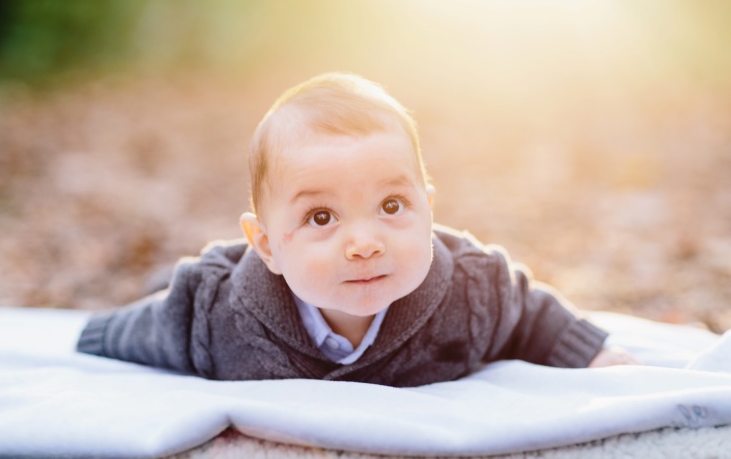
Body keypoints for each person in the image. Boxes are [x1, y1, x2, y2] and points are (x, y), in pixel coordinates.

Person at [76, 72, 636, 386]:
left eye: (392, 205)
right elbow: (146, 331)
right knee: (162, 288)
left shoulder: (473, 291)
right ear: (267, 244)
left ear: (429, 210)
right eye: (322, 217)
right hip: (200, 289)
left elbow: (533, 316)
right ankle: (155, 274)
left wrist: (593, 355)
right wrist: (93, 337)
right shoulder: (213, 313)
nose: (365, 241)